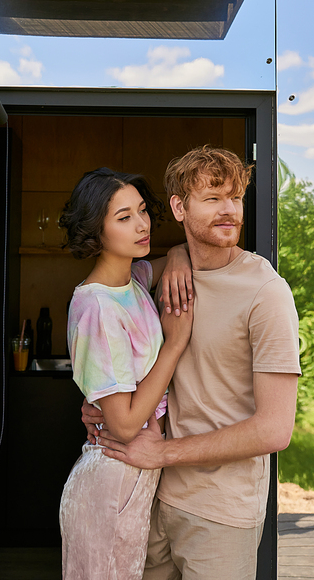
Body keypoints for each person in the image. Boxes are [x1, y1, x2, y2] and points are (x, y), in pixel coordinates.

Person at [83, 146, 301, 580]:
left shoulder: (267, 292)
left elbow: (275, 429)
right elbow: (114, 338)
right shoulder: (162, 275)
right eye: (213, 198)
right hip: (151, 498)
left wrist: (163, 453)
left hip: (221, 513)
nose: (230, 211)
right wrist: (102, 400)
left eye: (236, 197)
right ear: (180, 208)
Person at [58, 167, 194, 580]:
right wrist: (174, 345)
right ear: (95, 233)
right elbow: (124, 423)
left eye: (141, 211)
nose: (141, 224)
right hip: (111, 480)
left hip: (134, 477)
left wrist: (177, 257)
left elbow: (174, 253)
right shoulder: (97, 309)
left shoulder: (132, 281)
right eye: (123, 218)